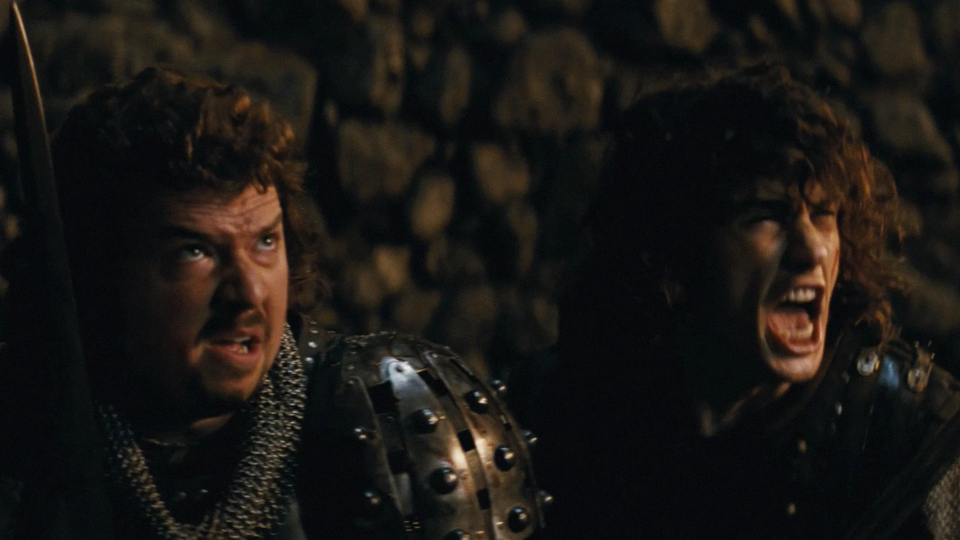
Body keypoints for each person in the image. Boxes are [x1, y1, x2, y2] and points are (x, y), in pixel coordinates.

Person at [0, 67, 545, 539]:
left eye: (265, 242)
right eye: (195, 252)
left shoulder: (393, 416)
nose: (248, 294)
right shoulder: (24, 435)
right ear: (95, 273)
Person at [530, 63, 960, 539]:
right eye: (766, 215)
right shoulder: (575, 412)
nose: (812, 250)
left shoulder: (908, 437)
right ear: (677, 249)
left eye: (824, 215)